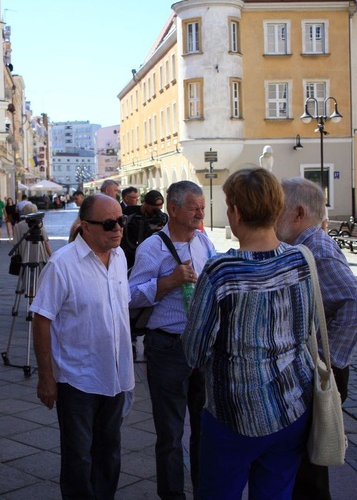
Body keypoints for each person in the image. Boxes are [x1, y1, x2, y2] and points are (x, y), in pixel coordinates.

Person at [182, 167, 316, 499]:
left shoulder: (221, 272)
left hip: (234, 413)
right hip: (293, 405)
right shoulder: (302, 260)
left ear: (237, 212)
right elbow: (307, 327)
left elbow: (194, 353)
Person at [276, 177, 357, 500]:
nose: (271, 216)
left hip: (320, 371)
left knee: (309, 468)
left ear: (298, 213)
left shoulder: (315, 248)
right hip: (317, 369)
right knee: (303, 463)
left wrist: (325, 358)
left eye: (277, 209)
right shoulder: (305, 244)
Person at [31, 194, 134, 500]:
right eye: (109, 223)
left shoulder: (119, 258)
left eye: (121, 221)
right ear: (85, 227)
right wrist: (46, 377)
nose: (118, 228)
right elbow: (41, 320)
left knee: (109, 452)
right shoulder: (62, 264)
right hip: (78, 379)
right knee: (78, 456)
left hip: (115, 375)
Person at [128, 181, 215, 499]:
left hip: (203, 345)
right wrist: (168, 282)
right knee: (170, 433)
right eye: (195, 208)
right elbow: (130, 295)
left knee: (205, 431)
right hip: (167, 347)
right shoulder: (152, 247)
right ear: (173, 209)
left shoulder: (204, 242)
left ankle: (205, 490)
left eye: (203, 207)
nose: (200, 213)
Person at [121, 190, 169, 270]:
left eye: (160, 207)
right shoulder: (130, 212)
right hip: (130, 257)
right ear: (146, 204)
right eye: (154, 208)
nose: (157, 211)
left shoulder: (162, 218)